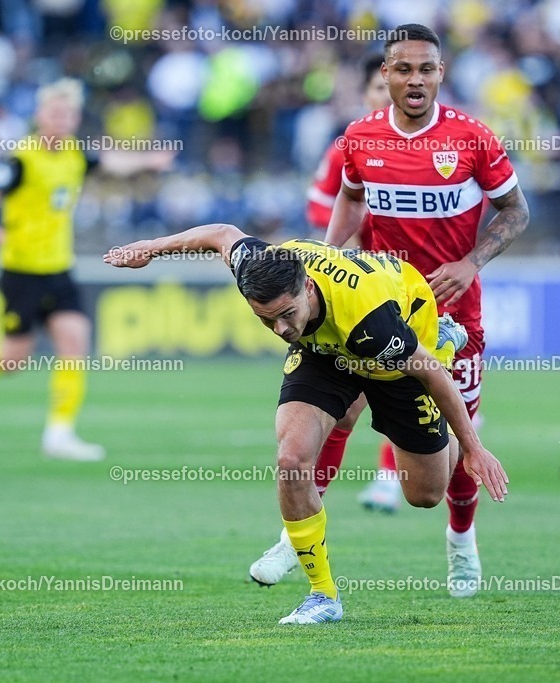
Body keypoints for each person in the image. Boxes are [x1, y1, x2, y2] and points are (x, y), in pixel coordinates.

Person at [104, 224, 509, 624]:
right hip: (325, 353)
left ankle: (441, 340)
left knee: (424, 494)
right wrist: (150, 247)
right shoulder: (258, 265)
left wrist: (473, 448)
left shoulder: (371, 322)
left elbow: (432, 376)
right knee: (291, 459)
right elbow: (222, 234)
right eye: (267, 321)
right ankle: (323, 595)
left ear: (309, 290)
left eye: (286, 315)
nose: (280, 330)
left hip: (394, 350)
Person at [324, 23, 529, 598]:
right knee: (332, 414)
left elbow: (515, 211)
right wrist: (326, 253)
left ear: (441, 74)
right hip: (376, 307)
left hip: (453, 318)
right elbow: (351, 195)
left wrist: (472, 261)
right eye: (404, 68)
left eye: (426, 69)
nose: (416, 79)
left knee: (459, 444)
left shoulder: (472, 138)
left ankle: (461, 542)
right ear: (385, 74)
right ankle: (298, 539)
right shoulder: (361, 138)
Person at [0, 78, 173, 460]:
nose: (62, 119)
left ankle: (59, 433)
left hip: (59, 267)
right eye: (55, 112)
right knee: (11, 360)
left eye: (68, 112)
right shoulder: (22, 158)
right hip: (21, 269)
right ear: (40, 116)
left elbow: (110, 161)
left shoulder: (72, 154)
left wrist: (148, 160)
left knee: (75, 342)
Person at [302, 52, 406, 516]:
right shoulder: (349, 146)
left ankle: (388, 477)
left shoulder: (430, 148)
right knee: (348, 407)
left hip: (407, 287)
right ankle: (308, 513)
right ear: (367, 95)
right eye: (381, 90)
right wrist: (348, 244)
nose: (391, 98)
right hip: (355, 283)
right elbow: (321, 206)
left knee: (401, 382)